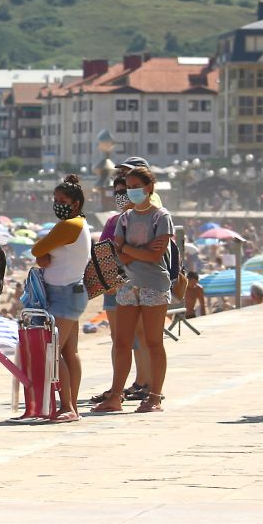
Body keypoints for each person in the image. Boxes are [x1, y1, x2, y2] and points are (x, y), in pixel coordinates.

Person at [93, 166, 174, 414]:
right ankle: (115, 395)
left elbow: (156, 255)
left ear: (149, 187)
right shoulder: (124, 219)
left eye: (136, 186)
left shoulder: (161, 217)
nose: (132, 191)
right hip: (128, 284)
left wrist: (129, 250)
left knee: (153, 342)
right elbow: (118, 254)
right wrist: (139, 251)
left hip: (154, 285)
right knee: (122, 342)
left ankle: (154, 397)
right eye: (129, 187)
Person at [29, 175, 91, 421]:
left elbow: (37, 250)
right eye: (55, 200)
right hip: (71, 292)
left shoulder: (69, 225)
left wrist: (43, 257)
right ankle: (70, 404)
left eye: (62, 200)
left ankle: (67, 406)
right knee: (68, 352)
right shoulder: (80, 224)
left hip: (64, 294)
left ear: (75, 203)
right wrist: (44, 257)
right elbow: (43, 254)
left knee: (51, 352)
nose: (57, 204)